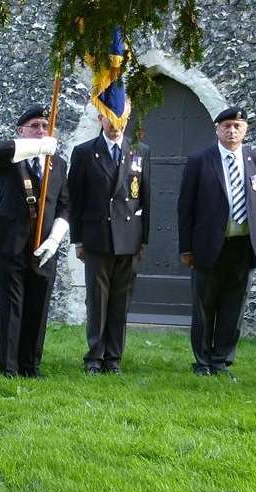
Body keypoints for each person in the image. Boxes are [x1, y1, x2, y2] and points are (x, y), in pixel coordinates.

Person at [177, 107, 256, 378]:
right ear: (217, 129)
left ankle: (222, 360)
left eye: (237, 126)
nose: (232, 131)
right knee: (205, 306)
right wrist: (186, 248)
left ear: (246, 129)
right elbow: (185, 208)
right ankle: (203, 362)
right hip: (208, 245)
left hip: (243, 246)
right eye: (227, 126)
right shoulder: (199, 161)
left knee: (234, 306)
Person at [0, 105, 70, 378]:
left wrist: (55, 239)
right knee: (12, 305)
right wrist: (39, 148)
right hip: (12, 242)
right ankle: (9, 367)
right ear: (21, 131)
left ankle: (31, 364)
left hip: (44, 246)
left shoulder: (59, 164)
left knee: (38, 304)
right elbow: (0, 150)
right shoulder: (13, 157)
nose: (42, 131)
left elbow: (65, 205)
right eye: (35, 126)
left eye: (45, 126)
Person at [68, 108, 150, 374]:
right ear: (100, 119)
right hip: (97, 237)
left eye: (121, 120)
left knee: (120, 300)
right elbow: (75, 200)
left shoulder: (140, 151)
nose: (115, 125)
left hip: (129, 238)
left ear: (127, 120)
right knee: (97, 300)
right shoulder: (83, 152)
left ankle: (114, 358)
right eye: (110, 119)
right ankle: (94, 357)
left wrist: (144, 240)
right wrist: (78, 240)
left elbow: (146, 198)